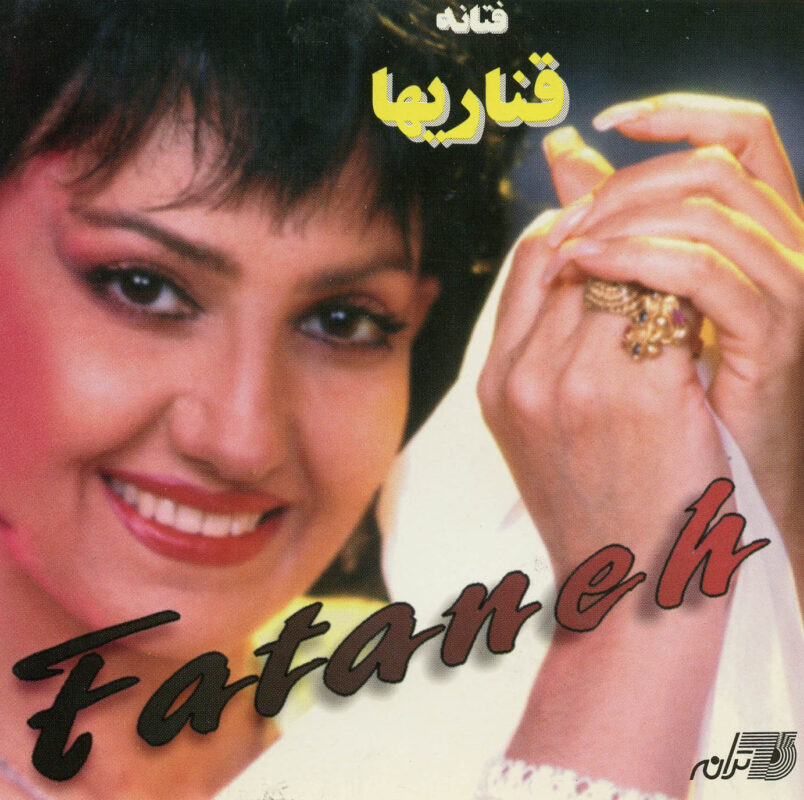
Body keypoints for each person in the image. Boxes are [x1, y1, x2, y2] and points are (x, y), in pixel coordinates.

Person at [0, 3, 799, 800]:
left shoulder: (429, 703)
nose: (243, 440)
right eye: (142, 286)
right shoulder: (570, 685)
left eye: (342, 321)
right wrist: (638, 617)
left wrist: (760, 538)